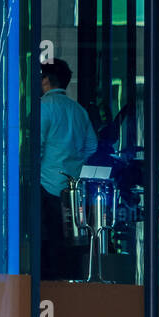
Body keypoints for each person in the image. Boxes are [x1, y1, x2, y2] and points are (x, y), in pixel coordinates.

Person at [39, 59, 97, 279]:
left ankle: (50, 286)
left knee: (47, 239)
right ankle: (69, 284)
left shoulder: (45, 106)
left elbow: (37, 145)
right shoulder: (78, 110)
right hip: (72, 186)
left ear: (45, 80)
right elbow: (92, 144)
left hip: (46, 182)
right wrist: (75, 160)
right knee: (70, 238)